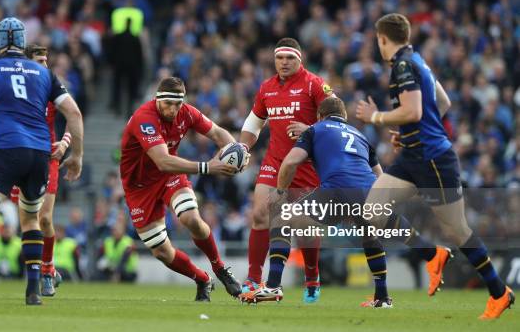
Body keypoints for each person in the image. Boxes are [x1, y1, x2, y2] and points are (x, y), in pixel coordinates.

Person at [355, 13, 514, 319]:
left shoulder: (403, 65)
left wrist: (376, 117)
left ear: (383, 39)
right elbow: (442, 103)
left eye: (378, 40)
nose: (378, 45)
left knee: (457, 230)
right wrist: (413, 134)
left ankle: (499, 292)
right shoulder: (418, 60)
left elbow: (413, 110)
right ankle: (432, 254)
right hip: (413, 156)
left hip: (434, 161)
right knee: (371, 213)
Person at [240, 97, 439, 307]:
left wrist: (280, 192)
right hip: (370, 191)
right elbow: (380, 177)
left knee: (282, 219)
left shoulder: (316, 130)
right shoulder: (361, 136)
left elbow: (290, 162)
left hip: (336, 191)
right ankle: (384, 296)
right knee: (370, 234)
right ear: (344, 117)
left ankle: (272, 287)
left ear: (320, 116)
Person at [0, 17, 84, 305]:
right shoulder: (44, 74)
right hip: (40, 155)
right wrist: (78, 156)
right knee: (32, 219)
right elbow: (74, 114)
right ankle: (33, 290)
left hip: (8, 150)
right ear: (23, 42)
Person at [120, 76, 246, 301]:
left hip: (169, 176)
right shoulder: (144, 118)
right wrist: (209, 166)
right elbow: (162, 160)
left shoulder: (187, 112)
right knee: (161, 252)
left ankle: (220, 269)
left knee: (191, 219)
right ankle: (202, 278)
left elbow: (218, 133)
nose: (173, 109)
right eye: (168, 103)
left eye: (178, 104)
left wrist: (236, 150)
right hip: (140, 187)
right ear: (157, 99)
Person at [239, 37, 333, 302]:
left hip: (307, 164)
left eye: (289, 58)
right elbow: (253, 124)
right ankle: (253, 279)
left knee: (305, 228)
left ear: (299, 59)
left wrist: (311, 130)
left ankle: (312, 275)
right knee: (260, 213)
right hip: (275, 162)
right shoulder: (266, 88)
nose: (284, 62)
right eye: (279, 58)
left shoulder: (315, 84)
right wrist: (243, 148)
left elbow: (338, 117)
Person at [0, 44, 70, 297]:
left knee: (44, 219)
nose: (44, 65)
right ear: (26, 65)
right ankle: (37, 274)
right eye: (39, 61)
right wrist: (0, 133)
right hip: (20, 154)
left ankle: (47, 270)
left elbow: (73, 117)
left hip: (47, 157)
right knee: (27, 222)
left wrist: (65, 144)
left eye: (46, 60)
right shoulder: (12, 88)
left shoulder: (51, 86)